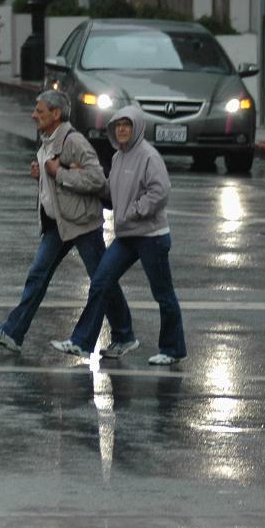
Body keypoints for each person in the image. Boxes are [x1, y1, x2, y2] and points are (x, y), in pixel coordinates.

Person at [0, 91, 135, 356]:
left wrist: (58, 173)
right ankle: (13, 333)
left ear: (56, 114)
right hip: (58, 224)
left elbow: (97, 179)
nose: (33, 115)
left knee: (102, 280)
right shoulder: (47, 140)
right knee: (37, 276)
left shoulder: (74, 141)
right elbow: (55, 178)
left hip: (82, 224)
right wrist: (41, 176)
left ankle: (124, 336)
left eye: (39, 111)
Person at [51, 106, 187, 366]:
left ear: (136, 128)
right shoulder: (118, 157)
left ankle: (172, 348)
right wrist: (76, 176)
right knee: (101, 282)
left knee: (163, 294)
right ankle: (83, 343)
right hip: (127, 236)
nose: (122, 129)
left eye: (127, 125)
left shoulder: (148, 156)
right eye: (118, 126)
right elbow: (112, 194)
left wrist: (134, 211)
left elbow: (160, 191)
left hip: (151, 236)